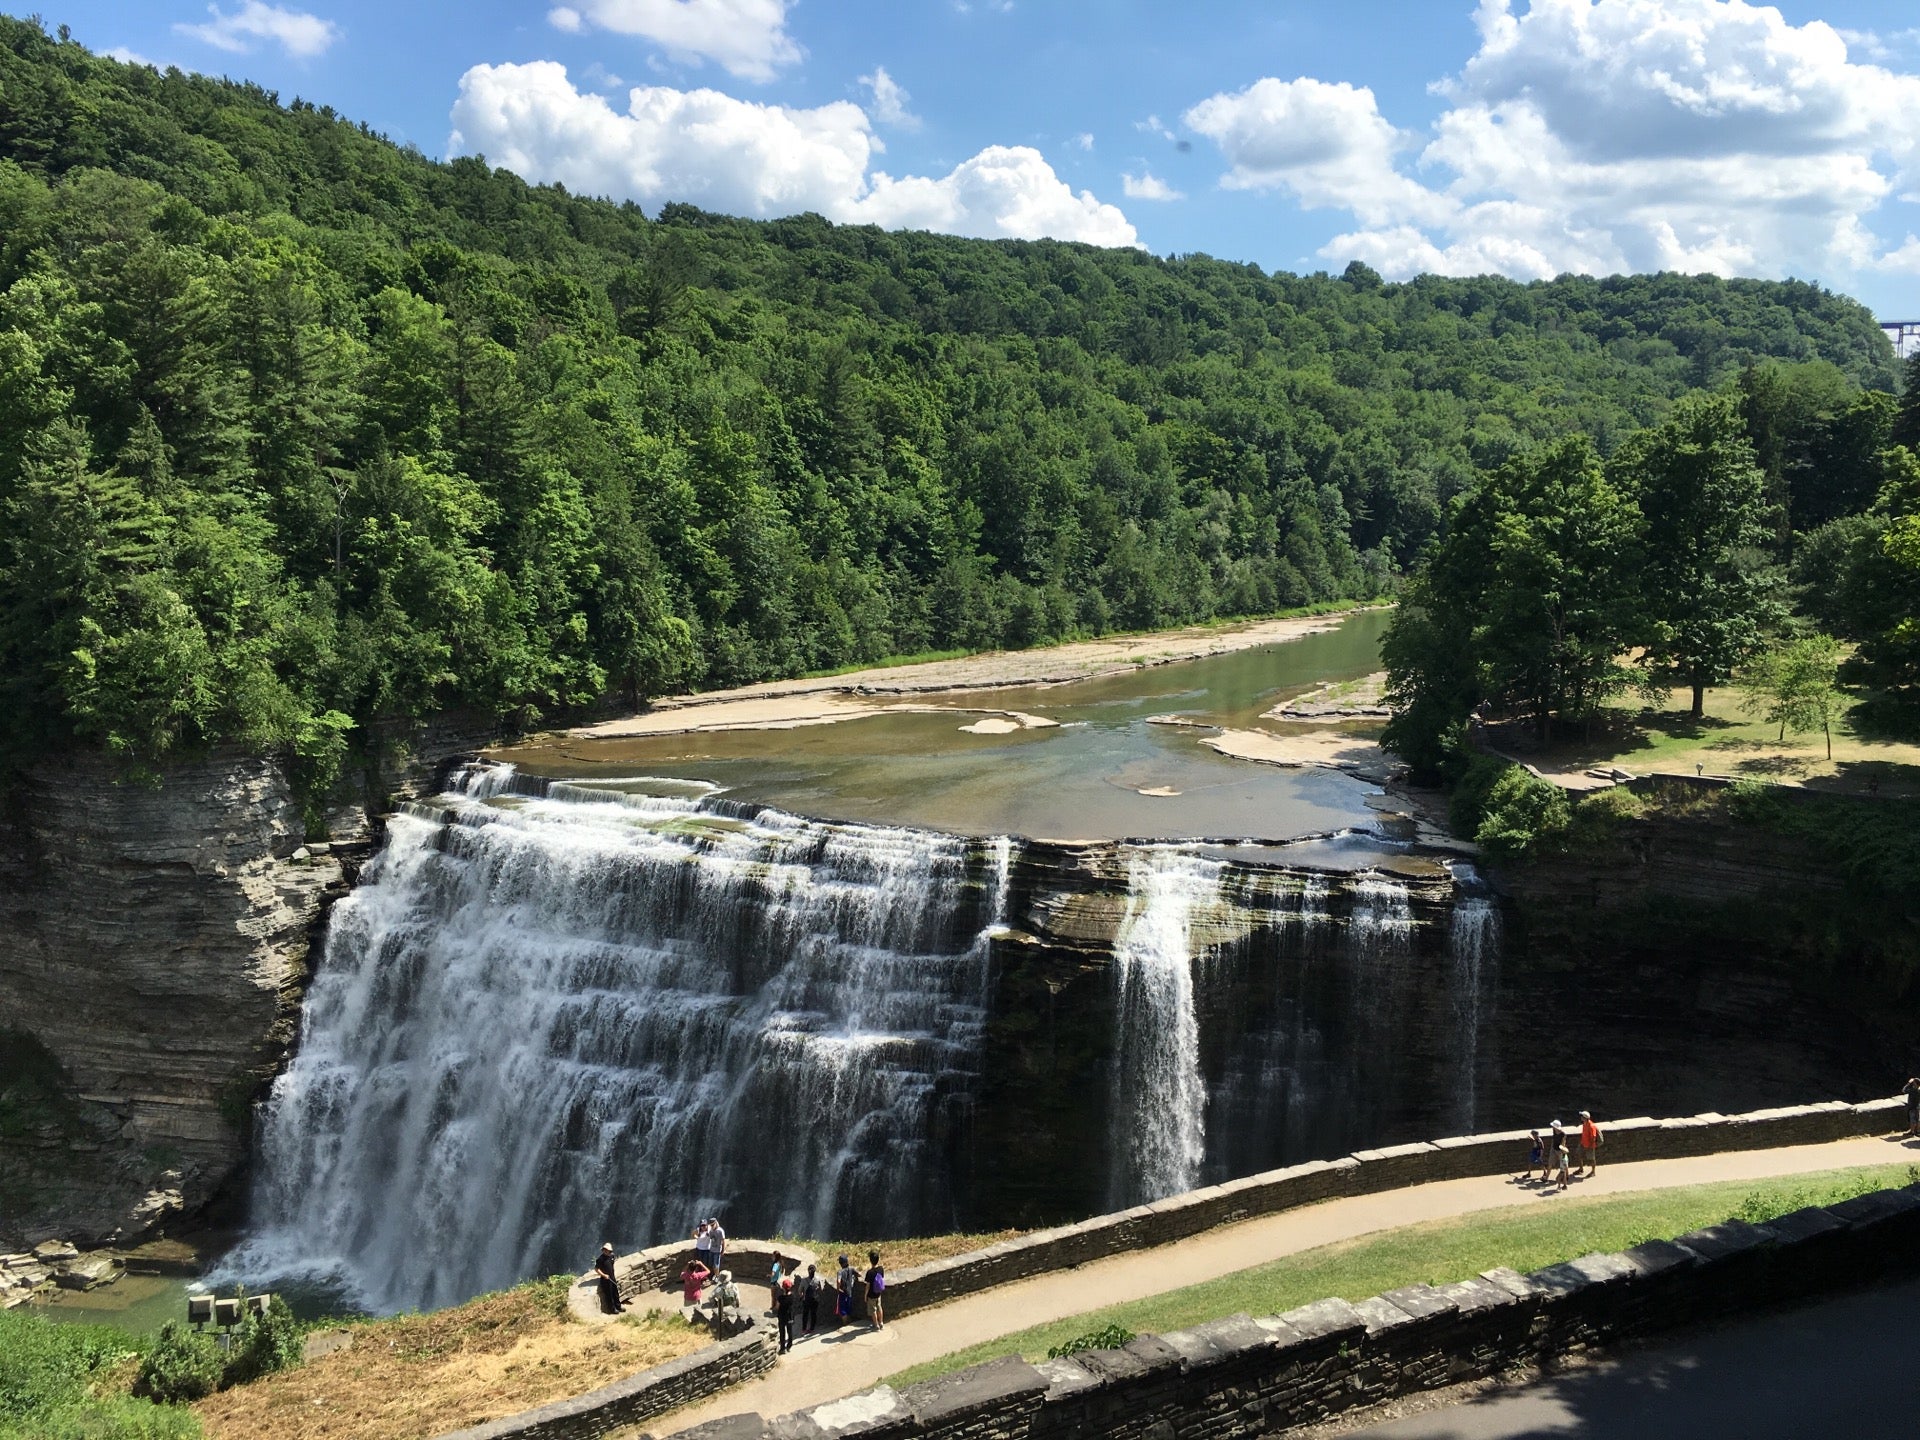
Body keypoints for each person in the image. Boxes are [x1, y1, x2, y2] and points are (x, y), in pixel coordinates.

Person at [591, 1242, 621, 1314]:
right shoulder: (600, 1259)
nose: (607, 1251)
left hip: (612, 1277)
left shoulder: (612, 1256)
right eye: (605, 1250)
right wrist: (604, 1275)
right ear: (603, 1250)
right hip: (605, 1280)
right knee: (609, 1295)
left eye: (608, 1250)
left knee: (615, 1293)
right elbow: (596, 1269)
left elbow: (612, 1265)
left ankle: (618, 1306)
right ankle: (612, 1309)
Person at [865, 1250, 886, 1329]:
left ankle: (876, 1325)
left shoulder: (869, 1272)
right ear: (878, 1259)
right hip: (878, 1293)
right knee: (879, 1307)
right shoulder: (881, 1269)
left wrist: (865, 1295)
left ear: (870, 1261)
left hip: (871, 1295)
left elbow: (867, 1286)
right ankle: (881, 1323)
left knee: (873, 1310)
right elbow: (881, 1278)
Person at [775, 1275, 796, 1353]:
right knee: (790, 1331)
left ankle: (782, 1348)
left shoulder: (780, 1298)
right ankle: (789, 1346)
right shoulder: (792, 1296)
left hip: (782, 1317)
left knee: (782, 1333)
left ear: (783, 1288)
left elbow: (777, 1307)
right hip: (790, 1317)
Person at [1578, 1110, 1603, 1175]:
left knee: (1591, 1159)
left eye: (1582, 1116)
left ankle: (1593, 1171)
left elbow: (1593, 1138)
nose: (1580, 1117)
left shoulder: (1591, 1126)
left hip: (1590, 1146)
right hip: (1583, 1144)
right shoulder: (1584, 1124)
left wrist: (1590, 1146)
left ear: (1585, 1118)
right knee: (1579, 1154)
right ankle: (1581, 1169)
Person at [801, 1263, 822, 1334]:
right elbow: (820, 1290)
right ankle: (812, 1328)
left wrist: (802, 1296)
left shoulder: (804, 1280)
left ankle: (804, 1329)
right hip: (815, 1299)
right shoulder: (817, 1280)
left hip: (806, 1300)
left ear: (808, 1271)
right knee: (813, 1314)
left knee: (805, 1315)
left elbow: (799, 1290)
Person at [835, 1253, 856, 1322]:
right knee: (848, 1307)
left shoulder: (840, 1272)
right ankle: (849, 1321)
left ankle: (845, 1323)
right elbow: (859, 1275)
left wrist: (838, 1289)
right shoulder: (851, 1269)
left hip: (842, 1292)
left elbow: (838, 1281)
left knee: (842, 1310)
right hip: (849, 1292)